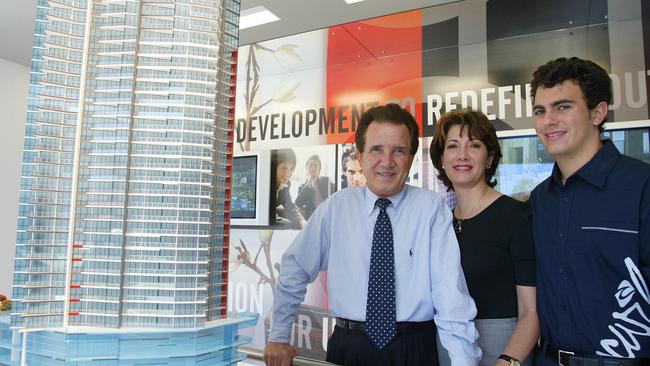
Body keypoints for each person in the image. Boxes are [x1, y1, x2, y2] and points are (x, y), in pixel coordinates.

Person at [264, 103, 481, 366]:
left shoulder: (430, 209)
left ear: (410, 158)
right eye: (376, 149)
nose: (387, 162)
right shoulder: (336, 208)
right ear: (360, 154)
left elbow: (451, 296)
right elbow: (294, 270)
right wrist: (278, 336)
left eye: (399, 151)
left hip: (414, 350)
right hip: (349, 347)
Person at [529, 57, 650, 365]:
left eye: (563, 107)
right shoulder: (539, 200)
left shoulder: (641, 186)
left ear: (598, 112)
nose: (549, 120)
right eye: (540, 111)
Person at [430, 109, 539, 366]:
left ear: (489, 159)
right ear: (442, 159)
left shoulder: (517, 217)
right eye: (453, 146)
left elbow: (531, 313)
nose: (462, 155)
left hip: (504, 350)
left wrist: (507, 362)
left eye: (474, 145)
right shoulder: (440, 222)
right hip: (448, 348)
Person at [273, 148, 306, 229]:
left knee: (294, 225)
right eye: (284, 167)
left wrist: (302, 222)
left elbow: (289, 207)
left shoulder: (286, 183)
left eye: (291, 169)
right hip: (259, 221)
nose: (288, 173)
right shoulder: (265, 181)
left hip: (272, 219)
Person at [295, 154, 335, 220]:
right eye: (310, 165)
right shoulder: (302, 187)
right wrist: (309, 183)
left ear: (319, 170)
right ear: (306, 168)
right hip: (312, 219)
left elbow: (333, 198)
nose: (313, 168)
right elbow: (298, 203)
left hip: (328, 216)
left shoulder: (326, 181)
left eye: (316, 166)